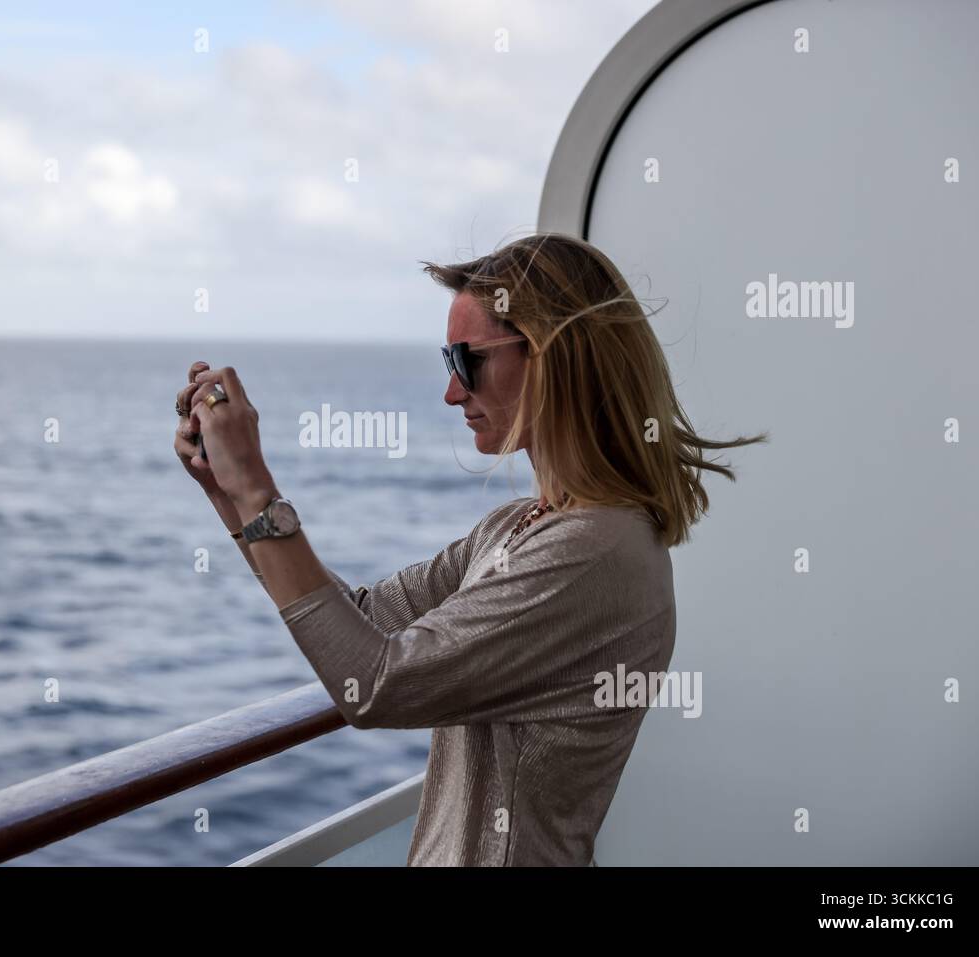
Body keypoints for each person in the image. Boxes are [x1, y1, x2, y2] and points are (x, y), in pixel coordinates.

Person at [171, 232, 769, 866]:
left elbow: (372, 685)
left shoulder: (592, 555)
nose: (452, 392)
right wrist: (230, 497)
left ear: (552, 357)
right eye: (446, 362)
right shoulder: (523, 527)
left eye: (466, 360)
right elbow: (367, 619)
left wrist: (256, 487)